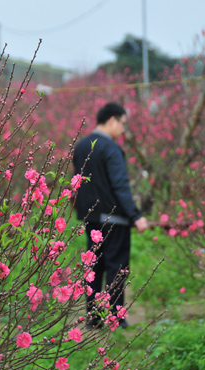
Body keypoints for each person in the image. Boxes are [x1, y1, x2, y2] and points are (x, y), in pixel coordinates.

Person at [72, 102, 149, 329]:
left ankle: (93, 318)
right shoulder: (111, 148)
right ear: (113, 120)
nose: (124, 130)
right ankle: (116, 318)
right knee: (117, 266)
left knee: (94, 266)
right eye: (123, 124)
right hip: (115, 219)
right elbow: (120, 186)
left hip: (92, 219)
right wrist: (135, 215)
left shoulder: (81, 146)